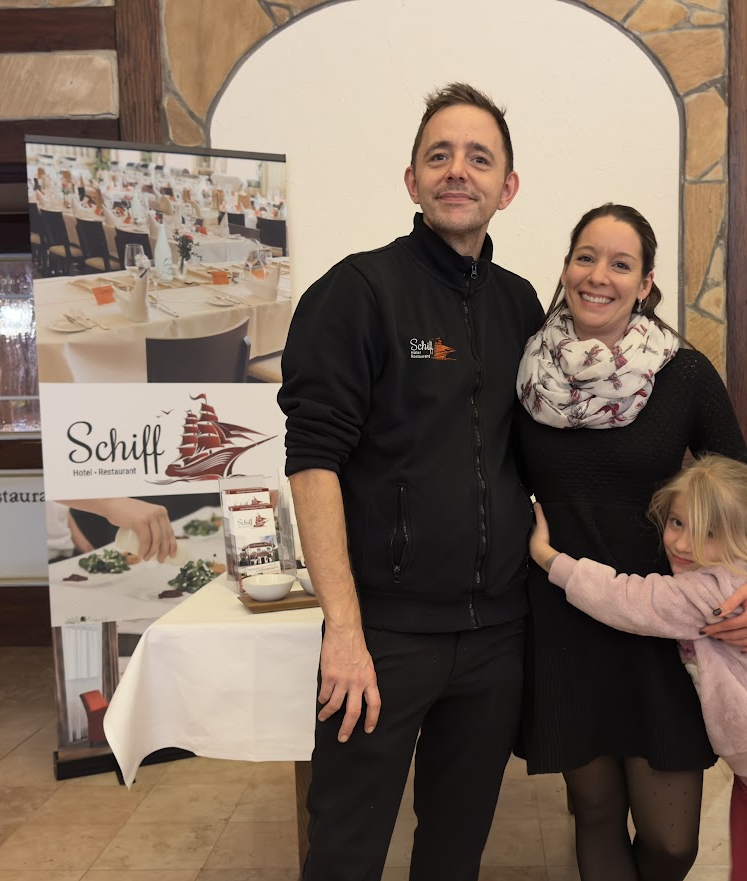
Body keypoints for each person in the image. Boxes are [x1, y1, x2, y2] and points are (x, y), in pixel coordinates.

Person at [278, 83, 543, 881]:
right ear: (412, 180)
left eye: (478, 158)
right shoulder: (358, 293)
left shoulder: (520, 304)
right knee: (345, 855)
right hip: (384, 638)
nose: (457, 170)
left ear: (507, 187)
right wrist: (344, 631)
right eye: (439, 155)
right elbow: (313, 462)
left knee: (454, 855)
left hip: (495, 636)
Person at [514, 204, 747, 880]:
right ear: (566, 268)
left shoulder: (682, 374)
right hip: (562, 617)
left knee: (672, 842)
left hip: (662, 624)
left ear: (645, 283)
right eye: (586, 257)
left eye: (620, 264)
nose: (599, 276)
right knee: (594, 811)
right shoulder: (525, 372)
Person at [529, 455, 747, 881]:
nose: (682, 544)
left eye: (708, 533)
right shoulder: (738, 575)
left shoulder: (715, 592)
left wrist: (547, 557)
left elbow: (625, 599)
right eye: (677, 523)